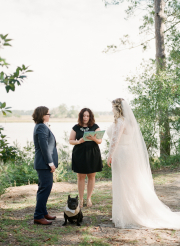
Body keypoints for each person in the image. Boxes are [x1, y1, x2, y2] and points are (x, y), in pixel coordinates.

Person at [107, 98, 180, 229]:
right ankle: (129, 211)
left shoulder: (120, 121)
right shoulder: (130, 122)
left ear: (118, 108)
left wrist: (109, 155)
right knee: (130, 183)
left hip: (121, 154)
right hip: (129, 153)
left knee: (122, 183)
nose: (111, 109)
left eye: (113, 107)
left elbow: (115, 140)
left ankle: (125, 215)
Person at [69, 108, 103, 208]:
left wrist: (93, 138)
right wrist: (78, 142)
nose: (85, 118)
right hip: (79, 153)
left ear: (90, 117)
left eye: (87, 116)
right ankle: (81, 199)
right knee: (80, 176)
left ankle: (88, 198)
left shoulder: (95, 127)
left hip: (92, 153)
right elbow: (71, 140)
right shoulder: (76, 127)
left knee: (91, 176)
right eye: (84, 115)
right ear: (81, 116)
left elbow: (100, 141)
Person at [32, 106, 58, 225]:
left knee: (44, 188)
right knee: (45, 189)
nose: (49, 115)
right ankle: (38, 216)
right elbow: (44, 147)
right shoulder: (41, 127)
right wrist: (50, 163)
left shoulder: (41, 126)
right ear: (43, 115)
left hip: (43, 164)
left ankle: (43, 212)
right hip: (44, 164)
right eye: (48, 114)